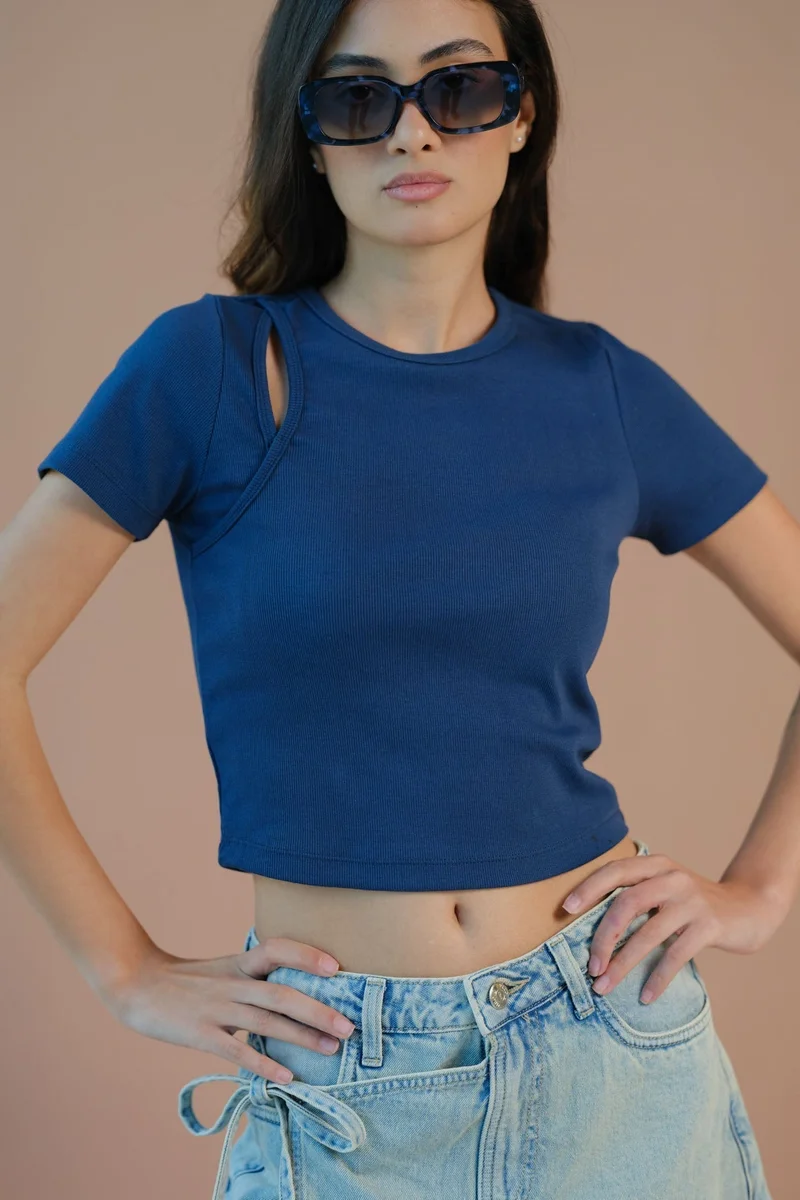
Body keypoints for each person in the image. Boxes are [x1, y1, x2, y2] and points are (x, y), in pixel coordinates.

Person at [2, 0, 795, 1196]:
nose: (411, 133)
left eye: (459, 89)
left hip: (612, 1047)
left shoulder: (599, 388)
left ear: (520, 116)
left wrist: (759, 892)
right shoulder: (209, 370)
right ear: (308, 136)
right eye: (358, 97)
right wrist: (122, 967)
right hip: (342, 1073)